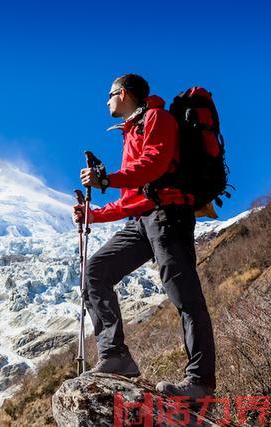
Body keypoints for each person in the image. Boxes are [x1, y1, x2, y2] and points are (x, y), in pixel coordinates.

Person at [73, 73, 216, 398]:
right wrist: (93, 215)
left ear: (123, 93)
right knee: (96, 270)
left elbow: (154, 163)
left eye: (109, 94)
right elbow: (130, 200)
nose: (106, 101)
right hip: (142, 219)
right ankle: (115, 356)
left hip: (169, 214)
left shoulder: (157, 118)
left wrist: (106, 179)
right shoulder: (132, 131)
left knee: (186, 297)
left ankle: (201, 382)